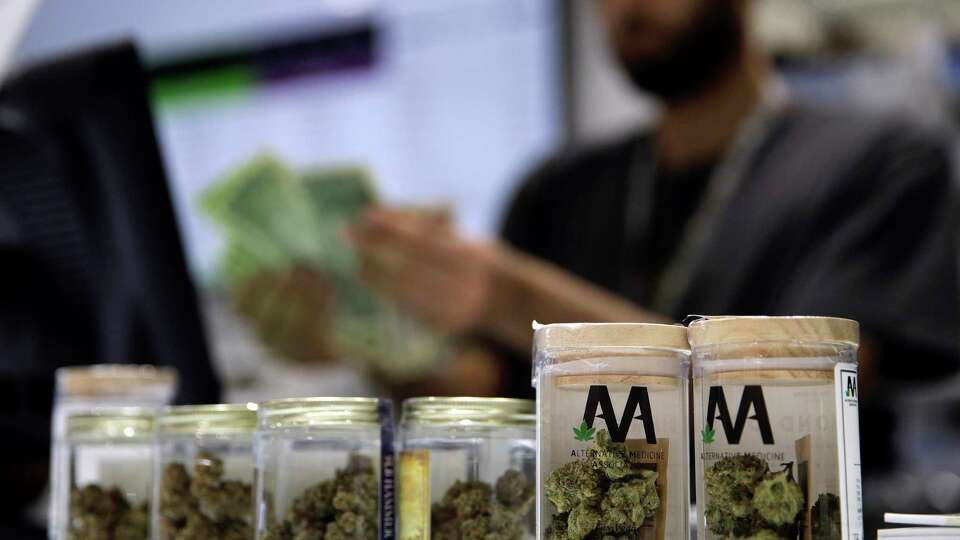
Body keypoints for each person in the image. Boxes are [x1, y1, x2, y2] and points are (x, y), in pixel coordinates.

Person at [350, 0, 959, 532]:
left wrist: (507, 297)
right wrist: (360, 335)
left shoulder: (880, 164)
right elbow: (489, 400)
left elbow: (801, 407)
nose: (626, 4)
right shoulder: (558, 190)